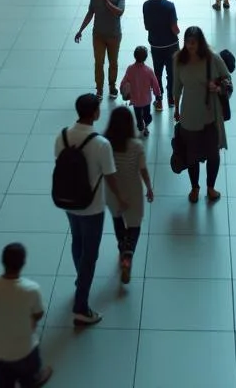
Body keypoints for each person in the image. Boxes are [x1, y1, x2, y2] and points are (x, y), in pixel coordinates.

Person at [54, 94, 126, 327]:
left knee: (77, 241)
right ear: (95, 113)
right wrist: (121, 198)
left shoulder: (62, 135)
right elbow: (111, 176)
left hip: (67, 201)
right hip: (91, 206)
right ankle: (81, 307)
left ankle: (80, 281)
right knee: (90, 255)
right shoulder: (100, 144)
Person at [0, 244, 52, 388]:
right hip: (25, 352)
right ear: (23, 263)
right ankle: (33, 380)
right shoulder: (31, 289)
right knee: (29, 379)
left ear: (2, 261)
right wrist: (32, 320)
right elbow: (39, 313)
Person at [173, 26, 231, 204]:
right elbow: (176, 87)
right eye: (187, 43)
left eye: (193, 43)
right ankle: (195, 187)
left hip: (210, 115)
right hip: (189, 115)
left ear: (200, 43)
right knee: (192, 155)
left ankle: (210, 187)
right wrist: (176, 109)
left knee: (213, 154)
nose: (190, 47)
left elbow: (227, 78)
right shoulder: (178, 59)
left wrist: (219, 88)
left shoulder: (212, 58)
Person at [104, 106, 153, 285]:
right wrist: (149, 187)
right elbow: (143, 170)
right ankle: (128, 253)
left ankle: (121, 246)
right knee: (134, 224)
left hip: (112, 190)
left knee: (117, 219)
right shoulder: (136, 145)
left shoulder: (105, 144)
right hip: (132, 191)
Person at [74, 0, 125, 100]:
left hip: (114, 35)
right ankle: (99, 88)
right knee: (99, 62)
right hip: (98, 35)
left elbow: (119, 12)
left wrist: (107, 1)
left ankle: (112, 86)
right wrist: (80, 30)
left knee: (113, 62)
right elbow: (90, 12)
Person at [143, 0, 179, 113]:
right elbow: (174, 27)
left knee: (157, 73)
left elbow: (147, 26)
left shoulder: (146, 5)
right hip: (171, 45)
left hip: (156, 45)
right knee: (171, 73)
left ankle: (158, 99)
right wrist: (178, 33)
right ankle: (171, 99)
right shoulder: (170, 6)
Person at [121, 46, 161, 135]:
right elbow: (155, 84)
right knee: (147, 115)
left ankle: (140, 124)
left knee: (138, 115)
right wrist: (157, 95)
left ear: (134, 56)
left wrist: (123, 90)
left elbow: (124, 82)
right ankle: (146, 126)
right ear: (146, 58)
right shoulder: (149, 70)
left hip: (135, 100)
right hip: (146, 100)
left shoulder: (130, 69)